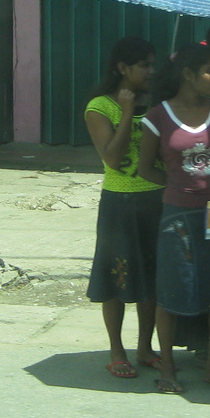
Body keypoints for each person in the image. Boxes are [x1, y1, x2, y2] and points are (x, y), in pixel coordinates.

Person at [137, 43, 210, 394]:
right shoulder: (158, 117)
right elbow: (144, 168)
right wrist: (177, 188)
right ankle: (167, 368)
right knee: (170, 291)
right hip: (177, 215)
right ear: (188, 75)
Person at [83, 37, 163, 378]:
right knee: (114, 280)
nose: (150, 71)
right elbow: (113, 158)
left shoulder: (159, 103)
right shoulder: (99, 107)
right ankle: (117, 350)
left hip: (157, 199)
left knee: (151, 280)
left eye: (152, 65)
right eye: (144, 65)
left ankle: (146, 347)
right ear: (123, 69)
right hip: (120, 202)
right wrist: (129, 112)